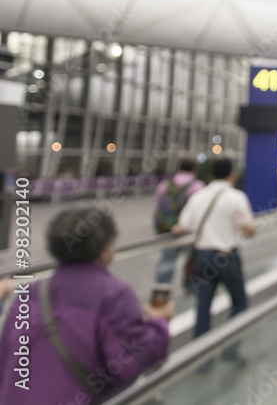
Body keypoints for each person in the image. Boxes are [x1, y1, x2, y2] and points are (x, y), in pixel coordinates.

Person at [0, 209, 172, 404]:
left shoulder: (31, 293)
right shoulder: (112, 294)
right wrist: (159, 323)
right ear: (104, 252)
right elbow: (131, 362)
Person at [173, 159, 256, 361]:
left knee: (203, 306)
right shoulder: (236, 197)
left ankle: (202, 356)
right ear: (231, 175)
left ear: (211, 175)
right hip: (226, 256)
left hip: (202, 256)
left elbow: (182, 226)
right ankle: (230, 350)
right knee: (239, 302)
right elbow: (249, 229)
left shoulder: (199, 196)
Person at [152, 159, 205, 284]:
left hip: (168, 229)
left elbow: (156, 207)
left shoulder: (164, 184)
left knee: (166, 262)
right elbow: (200, 211)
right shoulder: (197, 186)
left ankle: (160, 296)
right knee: (193, 260)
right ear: (193, 170)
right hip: (189, 231)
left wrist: (159, 226)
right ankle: (192, 289)